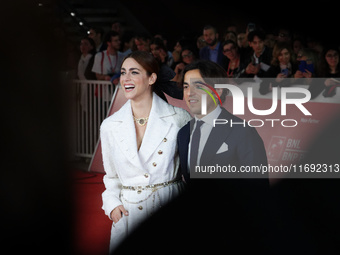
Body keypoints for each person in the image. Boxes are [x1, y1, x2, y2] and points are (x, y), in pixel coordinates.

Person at [100, 51, 192, 252]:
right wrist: (113, 205)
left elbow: (192, 173)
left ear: (152, 78)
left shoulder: (179, 119)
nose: (126, 78)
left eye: (134, 72)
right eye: (123, 72)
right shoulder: (109, 126)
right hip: (129, 216)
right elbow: (111, 176)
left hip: (168, 209)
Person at [177, 59, 268, 183]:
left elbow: (258, 188)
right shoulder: (183, 133)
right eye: (186, 86)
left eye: (198, 86)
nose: (189, 93)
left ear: (218, 91)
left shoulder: (242, 131)